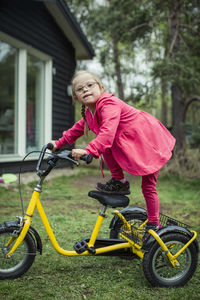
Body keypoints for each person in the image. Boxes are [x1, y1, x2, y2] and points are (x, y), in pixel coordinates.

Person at [51, 70, 176, 232]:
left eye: (90, 85)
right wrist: (57, 143)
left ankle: (154, 223)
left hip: (147, 140)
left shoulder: (109, 104)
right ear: (76, 97)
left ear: (101, 87)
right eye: (80, 89)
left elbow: (107, 132)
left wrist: (89, 151)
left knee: (148, 185)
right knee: (106, 147)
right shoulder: (90, 113)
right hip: (132, 141)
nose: (86, 90)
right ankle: (119, 182)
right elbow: (77, 129)